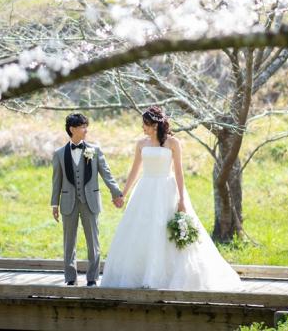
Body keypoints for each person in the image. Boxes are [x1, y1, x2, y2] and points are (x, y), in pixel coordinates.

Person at [101, 106, 242, 290]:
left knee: (165, 230)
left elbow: (179, 173)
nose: (143, 127)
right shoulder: (141, 144)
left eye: (146, 124)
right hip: (145, 190)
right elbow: (135, 171)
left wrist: (182, 200)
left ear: (155, 125)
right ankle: (143, 275)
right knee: (143, 230)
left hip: (167, 190)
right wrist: (123, 194)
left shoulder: (173, 143)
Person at [51, 113, 123, 287]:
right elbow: (56, 180)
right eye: (83, 127)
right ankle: (70, 277)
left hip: (90, 201)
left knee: (93, 241)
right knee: (69, 242)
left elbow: (106, 173)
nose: (86, 130)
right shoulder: (59, 153)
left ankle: (92, 278)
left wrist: (116, 192)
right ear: (72, 129)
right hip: (69, 203)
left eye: (86, 126)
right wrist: (54, 203)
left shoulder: (94, 150)